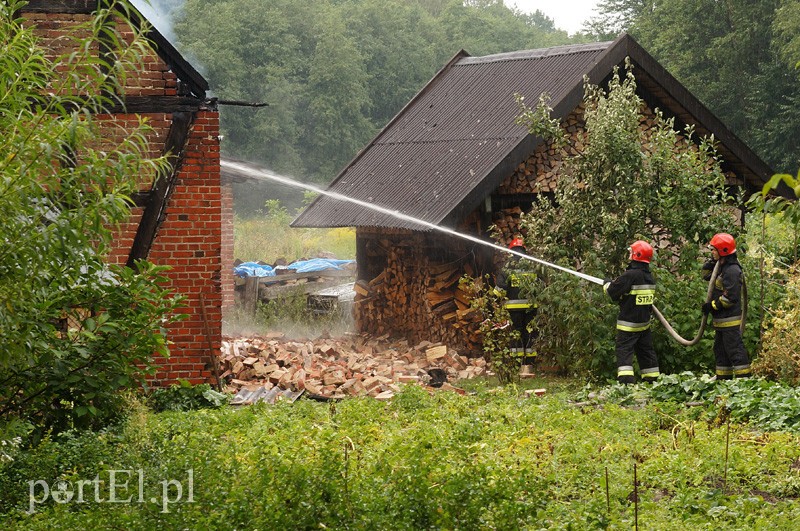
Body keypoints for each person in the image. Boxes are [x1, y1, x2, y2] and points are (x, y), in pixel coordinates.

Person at [603, 240, 660, 384]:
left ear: (637, 255)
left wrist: (607, 284)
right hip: (644, 324)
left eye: (631, 252)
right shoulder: (649, 277)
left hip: (628, 324)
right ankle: (652, 380)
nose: (629, 254)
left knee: (624, 351)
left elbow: (612, 292)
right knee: (646, 352)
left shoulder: (630, 275)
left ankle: (626, 382)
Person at [701, 233, 751, 379]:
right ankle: (723, 380)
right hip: (721, 321)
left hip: (729, 320)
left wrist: (712, 306)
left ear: (722, 251)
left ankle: (744, 381)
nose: (712, 252)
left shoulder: (732, 271)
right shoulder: (722, 268)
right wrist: (711, 262)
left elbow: (731, 298)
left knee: (734, 350)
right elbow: (706, 276)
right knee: (720, 351)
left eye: (714, 250)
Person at [496, 236, 537, 367]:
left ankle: (517, 363)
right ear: (524, 250)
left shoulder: (507, 267)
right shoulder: (532, 266)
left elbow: (500, 289)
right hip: (531, 307)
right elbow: (541, 286)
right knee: (530, 331)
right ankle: (530, 363)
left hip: (513, 308)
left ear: (511, 250)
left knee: (516, 332)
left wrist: (497, 297)